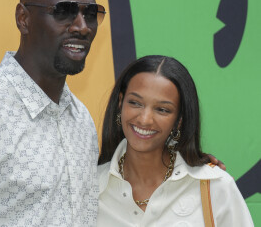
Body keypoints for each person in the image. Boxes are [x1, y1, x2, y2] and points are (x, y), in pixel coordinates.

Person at [0, 0, 106, 226]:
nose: (82, 27)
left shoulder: (81, 119)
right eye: (64, 11)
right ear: (23, 19)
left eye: (91, 14)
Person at [97, 55, 253, 226]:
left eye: (162, 109)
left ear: (179, 119)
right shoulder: (88, 188)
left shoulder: (215, 186)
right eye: (135, 103)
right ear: (120, 103)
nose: (145, 119)